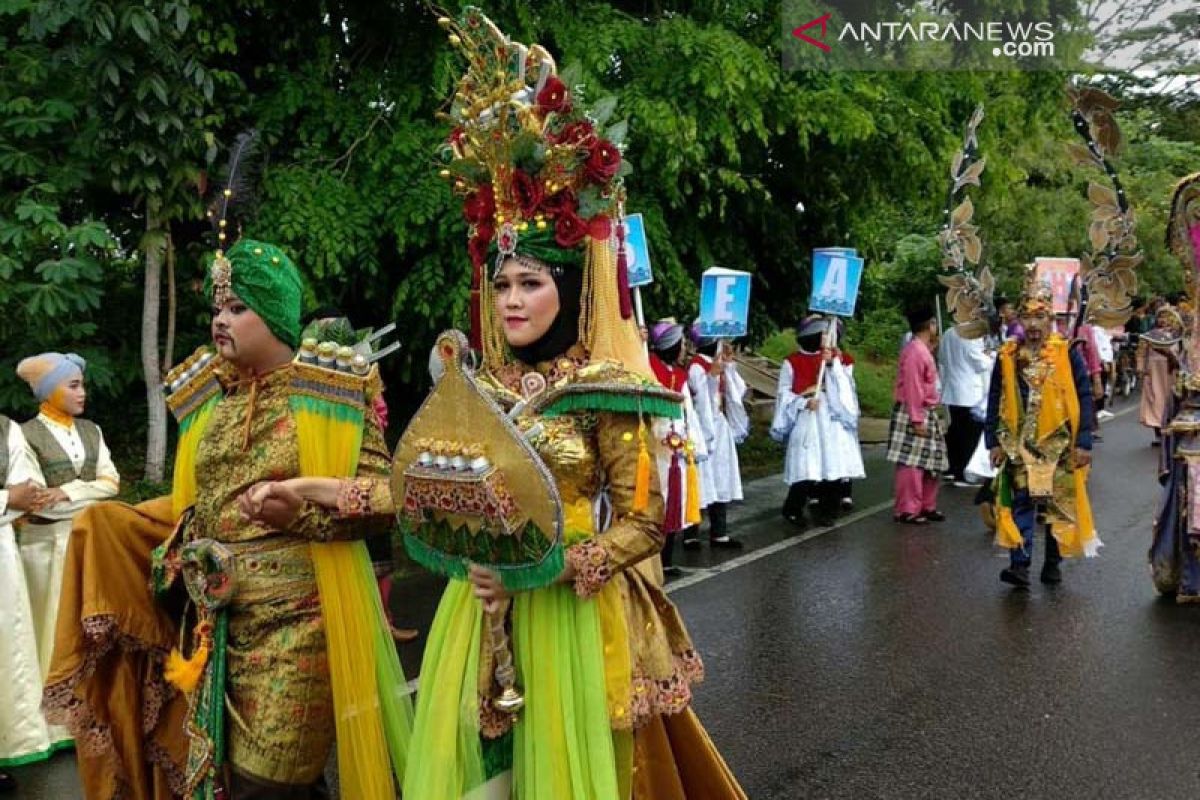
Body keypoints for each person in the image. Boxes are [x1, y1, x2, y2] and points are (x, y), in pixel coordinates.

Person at [334, 13, 746, 797]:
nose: (512, 299)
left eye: (531, 282)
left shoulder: (607, 390)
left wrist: (556, 568)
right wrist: (334, 495)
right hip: (477, 614)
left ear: (568, 284)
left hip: (571, 619)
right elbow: (431, 491)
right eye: (503, 283)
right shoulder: (476, 388)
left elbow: (641, 521)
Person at [43, 239, 411, 799]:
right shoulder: (212, 397)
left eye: (238, 308)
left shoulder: (331, 390)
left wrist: (303, 510)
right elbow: (198, 507)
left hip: (301, 626)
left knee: (270, 783)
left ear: (277, 318)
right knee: (230, 783)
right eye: (218, 308)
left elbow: (390, 499)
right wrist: (130, 532)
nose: (220, 320)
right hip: (218, 630)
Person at [985, 280, 1098, 587]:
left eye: (1040, 317)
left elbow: (1084, 397)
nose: (1034, 325)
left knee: (1055, 506)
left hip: (1058, 442)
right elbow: (995, 397)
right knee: (1020, 500)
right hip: (1019, 442)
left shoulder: (1066, 354)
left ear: (1050, 319)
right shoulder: (1008, 356)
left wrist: (1084, 441)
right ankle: (1019, 565)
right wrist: (993, 440)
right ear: (1019, 320)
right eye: (1028, 317)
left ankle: (1052, 562)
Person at [15, 353, 119, 685]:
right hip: (44, 549)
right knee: (50, 627)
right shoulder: (23, 435)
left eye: (82, 385)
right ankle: (53, 715)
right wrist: (89, 493)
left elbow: (112, 483)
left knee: (90, 620)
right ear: (48, 391)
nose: (82, 392)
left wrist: (69, 491)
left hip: (89, 542)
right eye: (73, 385)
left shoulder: (92, 431)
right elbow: (38, 503)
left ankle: (91, 702)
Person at [1149, 172, 1200, 600]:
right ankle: (1189, 577)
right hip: (1192, 433)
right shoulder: (1190, 326)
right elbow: (1185, 378)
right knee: (1190, 509)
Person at [772, 315, 864, 527]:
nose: (825, 339)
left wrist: (833, 366)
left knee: (831, 464)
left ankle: (827, 510)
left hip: (831, 418)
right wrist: (802, 401)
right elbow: (783, 393)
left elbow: (846, 389)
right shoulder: (791, 361)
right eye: (821, 334)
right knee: (806, 464)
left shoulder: (840, 360)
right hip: (808, 417)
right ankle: (793, 507)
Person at [0, 416, 50, 787]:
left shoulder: (7, 430)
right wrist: (4, 498)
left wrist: (12, 502)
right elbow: (12, 496)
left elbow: (28, 494)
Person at [648, 320, 706, 576]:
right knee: (655, 500)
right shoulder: (646, 370)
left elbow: (688, 414)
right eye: (681, 344)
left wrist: (691, 442)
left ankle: (666, 558)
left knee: (674, 499)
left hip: (676, 449)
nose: (684, 349)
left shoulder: (679, 376)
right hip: (653, 447)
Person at [686, 327, 749, 549]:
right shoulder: (696, 366)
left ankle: (719, 532)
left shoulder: (716, 362)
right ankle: (690, 533)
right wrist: (711, 376)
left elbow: (737, 392)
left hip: (719, 426)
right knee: (701, 479)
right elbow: (700, 397)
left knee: (721, 475)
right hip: (703, 428)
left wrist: (728, 367)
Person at [887, 308, 948, 524]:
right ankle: (907, 508)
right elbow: (913, 387)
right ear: (930, 324)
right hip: (915, 410)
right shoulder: (914, 351)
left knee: (933, 461)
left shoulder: (923, 349)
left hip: (928, 410)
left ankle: (926, 505)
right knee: (911, 463)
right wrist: (916, 418)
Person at [937, 321, 994, 486]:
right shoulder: (971, 334)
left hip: (953, 389)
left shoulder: (948, 332)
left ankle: (954, 469)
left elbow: (942, 358)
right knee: (970, 434)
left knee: (955, 431)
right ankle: (965, 474)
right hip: (969, 392)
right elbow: (980, 364)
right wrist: (991, 357)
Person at [1138, 306, 1184, 446]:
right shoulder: (1149, 336)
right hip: (1153, 373)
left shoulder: (1179, 336)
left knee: (1172, 399)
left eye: (1167, 317)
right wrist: (1141, 369)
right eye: (1161, 316)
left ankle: (1172, 429)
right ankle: (1159, 432)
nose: (1163, 320)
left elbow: (1183, 353)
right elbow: (1141, 353)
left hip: (1171, 372)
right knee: (1155, 400)